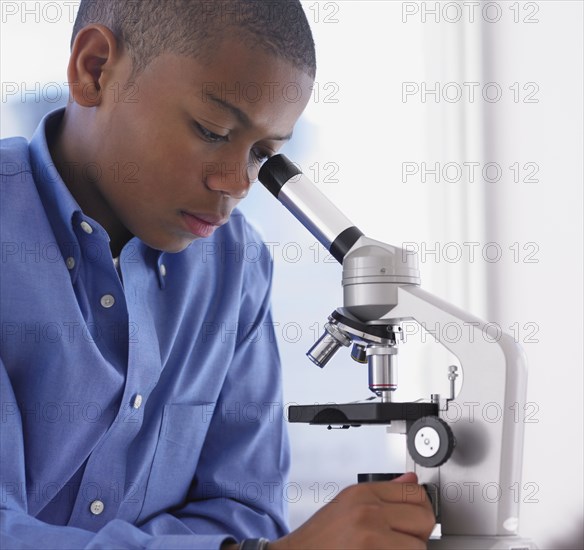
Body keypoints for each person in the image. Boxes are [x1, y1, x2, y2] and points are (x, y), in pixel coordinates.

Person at [0, 1, 435, 548]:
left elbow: (245, 515)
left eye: (262, 154)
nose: (236, 183)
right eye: (211, 130)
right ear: (94, 70)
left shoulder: (238, 266)